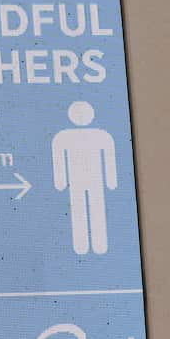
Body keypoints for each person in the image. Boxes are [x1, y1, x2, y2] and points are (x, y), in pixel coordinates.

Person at [51, 101, 118, 255]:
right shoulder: (63, 137)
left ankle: (100, 245)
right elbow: (58, 158)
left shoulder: (102, 136)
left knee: (97, 210)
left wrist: (111, 181)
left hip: (96, 180)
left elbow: (109, 159)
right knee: (78, 211)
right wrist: (60, 182)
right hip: (75, 182)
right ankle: (81, 246)